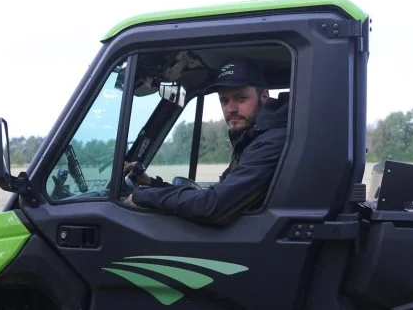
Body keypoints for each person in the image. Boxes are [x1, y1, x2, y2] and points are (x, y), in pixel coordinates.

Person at [123, 58, 289, 225]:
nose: (230, 109)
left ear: (264, 96)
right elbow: (215, 194)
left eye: (241, 98)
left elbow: (212, 206)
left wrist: (142, 195)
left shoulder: (272, 141)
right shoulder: (251, 139)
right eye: (224, 101)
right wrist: (151, 184)